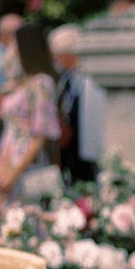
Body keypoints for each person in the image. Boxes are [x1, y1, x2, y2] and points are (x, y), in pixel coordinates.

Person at [0, 23, 62, 208]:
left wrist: (13, 174)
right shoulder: (20, 82)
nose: (12, 51)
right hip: (8, 156)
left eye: (15, 45)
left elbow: (40, 136)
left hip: (25, 164)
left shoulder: (42, 83)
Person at [49, 24, 106, 184]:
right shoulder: (65, 78)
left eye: (57, 56)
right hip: (69, 149)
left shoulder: (88, 78)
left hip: (85, 146)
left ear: (66, 55)